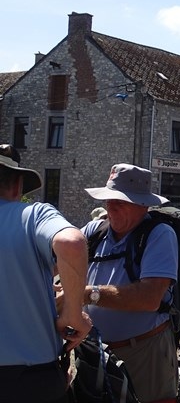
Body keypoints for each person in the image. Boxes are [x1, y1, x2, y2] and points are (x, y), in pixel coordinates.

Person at [0, 144, 92, 402]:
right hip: (30, 382)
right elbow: (72, 243)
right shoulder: (32, 215)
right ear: (18, 185)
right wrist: (73, 315)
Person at [82, 163, 178, 403]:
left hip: (144, 351)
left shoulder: (160, 234)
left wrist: (87, 295)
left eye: (120, 201)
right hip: (96, 351)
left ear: (143, 205)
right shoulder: (95, 231)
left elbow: (149, 298)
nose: (110, 206)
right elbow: (53, 258)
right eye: (109, 199)